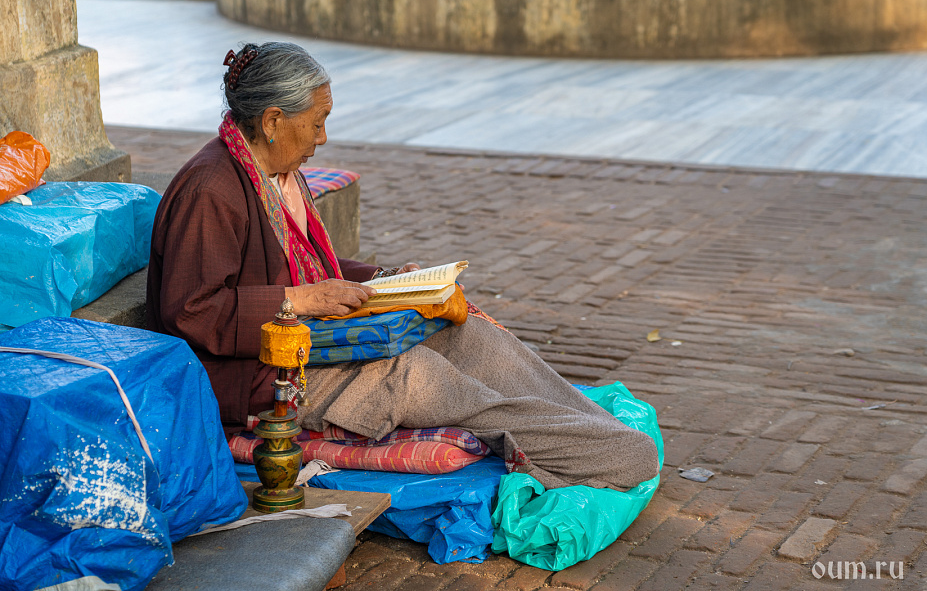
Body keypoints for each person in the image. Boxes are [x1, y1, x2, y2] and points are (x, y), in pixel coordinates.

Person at [146, 42, 659, 491]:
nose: (322, 138)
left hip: (315, 337)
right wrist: (299, 300)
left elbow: (304, 267)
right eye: (316, 123)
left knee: (468, 336)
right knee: (422, 376)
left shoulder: (274, 170)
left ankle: (597, 428)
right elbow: (191, 310)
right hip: (258, 377)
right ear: (274, 121)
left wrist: (388, 279)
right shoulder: (211, 188)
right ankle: (614, 456)